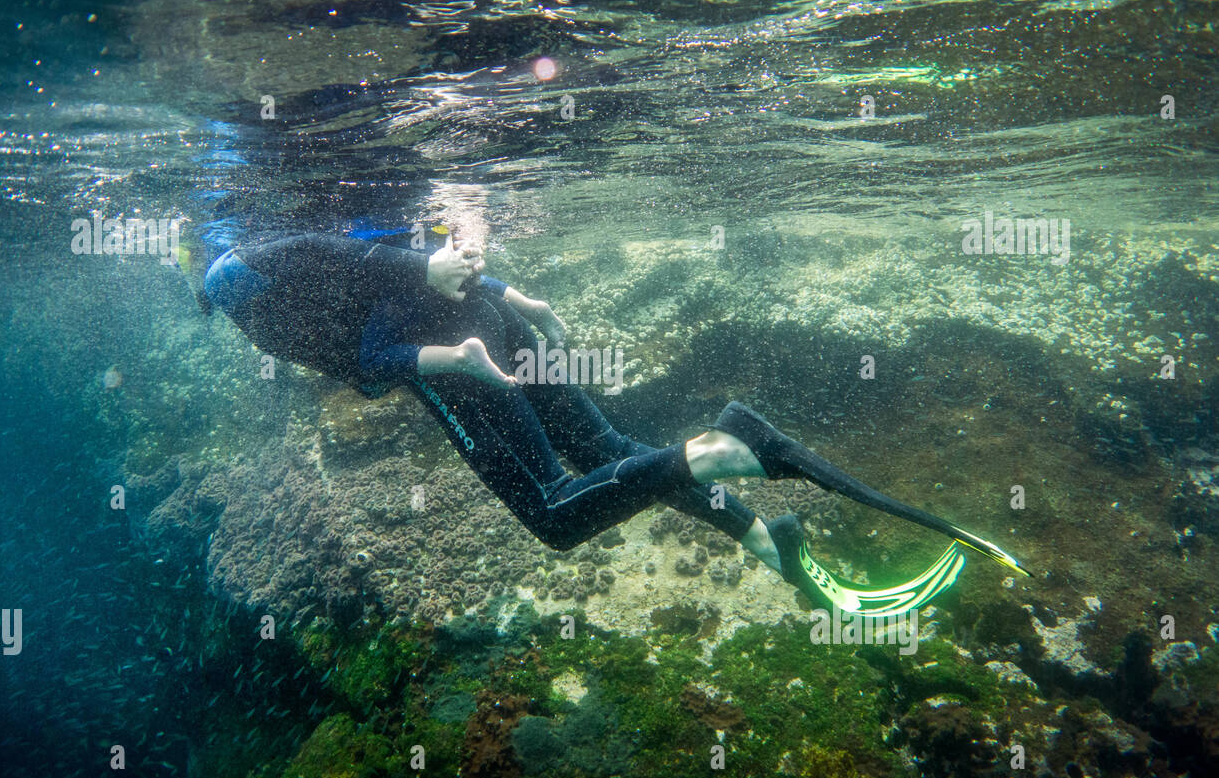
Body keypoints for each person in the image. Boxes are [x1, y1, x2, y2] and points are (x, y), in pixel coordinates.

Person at [200, 229, 1032, 616]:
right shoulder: (313, 221)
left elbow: (363, 322)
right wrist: (506, 294)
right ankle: (766, 542)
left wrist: (451, 358)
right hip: (490, 324)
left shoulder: (244, 291)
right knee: (602, 449)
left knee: (557, 513)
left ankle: (728, 446)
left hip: (462, 360)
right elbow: (381, 254)